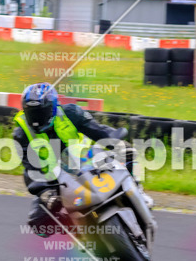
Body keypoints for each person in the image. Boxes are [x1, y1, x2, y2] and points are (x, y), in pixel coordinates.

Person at [13, 83, 130, 236]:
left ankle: (136, 190)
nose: (37, 118)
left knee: (128, 154)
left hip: (88, 160)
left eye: (41, 112)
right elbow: (30, 167)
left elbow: (97, 130)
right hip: (56, 180)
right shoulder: (21, 134)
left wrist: (117, 142)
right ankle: (79, 231)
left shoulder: (70, 113)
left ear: (53, 107)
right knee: (38, 222)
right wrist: (44, 191)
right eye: (32, 113)